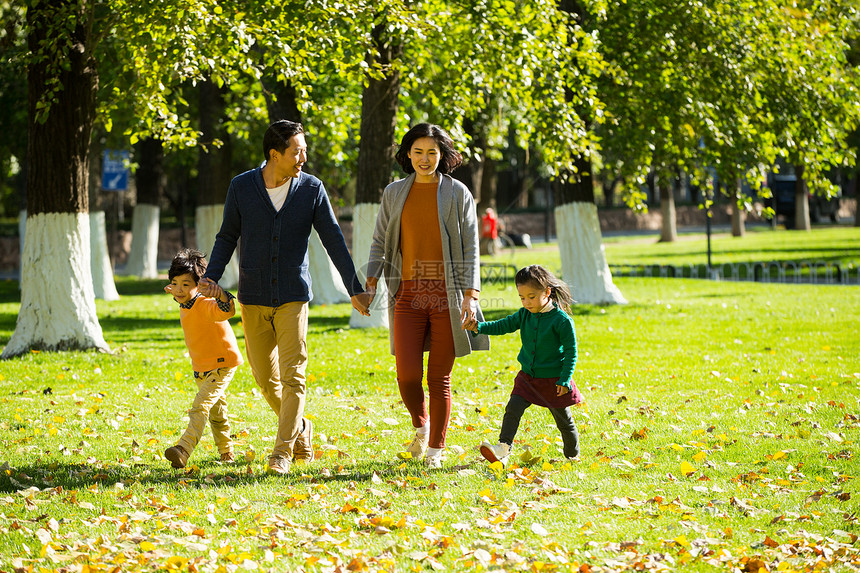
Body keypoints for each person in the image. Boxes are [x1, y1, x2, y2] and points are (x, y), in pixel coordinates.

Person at [200, 120, 372, 475]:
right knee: (266, 379)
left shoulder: (311, 189)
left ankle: (280, 453)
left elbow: (333, 239)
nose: (303, 157)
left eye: (304, 150)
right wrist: (211, 276)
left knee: (294, 377)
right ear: (275, 155)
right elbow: (227, 235)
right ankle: (302, 428)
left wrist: (354, 288)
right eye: (297, 151)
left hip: (294, 294)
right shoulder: (242, 187)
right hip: (254, 294)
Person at [364, 123, 489, 469]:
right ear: (407, 154)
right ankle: (422, 427)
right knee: (406, 375)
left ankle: (436, 447)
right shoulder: (394, 193)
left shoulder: (457, 193)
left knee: (439, 378)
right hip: (406, 295)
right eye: (417, 152)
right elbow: (379, 241)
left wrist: (471, 294)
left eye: (432, 152)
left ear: (442, 155)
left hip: (447, 297)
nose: (424, 159)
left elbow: (471, 247)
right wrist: (371, 280)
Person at [463, 264, 583, 465]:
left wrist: (565, 378)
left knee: (564, 420)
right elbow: (504, 325)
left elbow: (571, 353)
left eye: (531, 297)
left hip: (554, 380)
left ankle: (572, 455)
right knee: (513, 408)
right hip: (527, 377)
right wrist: (479, 326)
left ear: (547, 292)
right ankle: (503, 447)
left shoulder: (561, 321)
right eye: (522, 297)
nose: (526, 302)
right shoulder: (524, 314)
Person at [163, 248, 243, 469]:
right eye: (175, 283)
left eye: (186, 284)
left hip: (221, 364)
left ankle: (183, 449)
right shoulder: (183, 299)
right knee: (217, 413)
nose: (179, 289)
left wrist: (221, 294)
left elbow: (227, 310)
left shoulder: (205, 304)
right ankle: (227, 452)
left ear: (198, 285)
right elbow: (177, 291)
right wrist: (174, 289)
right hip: (201, 368)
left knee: (200, 407)